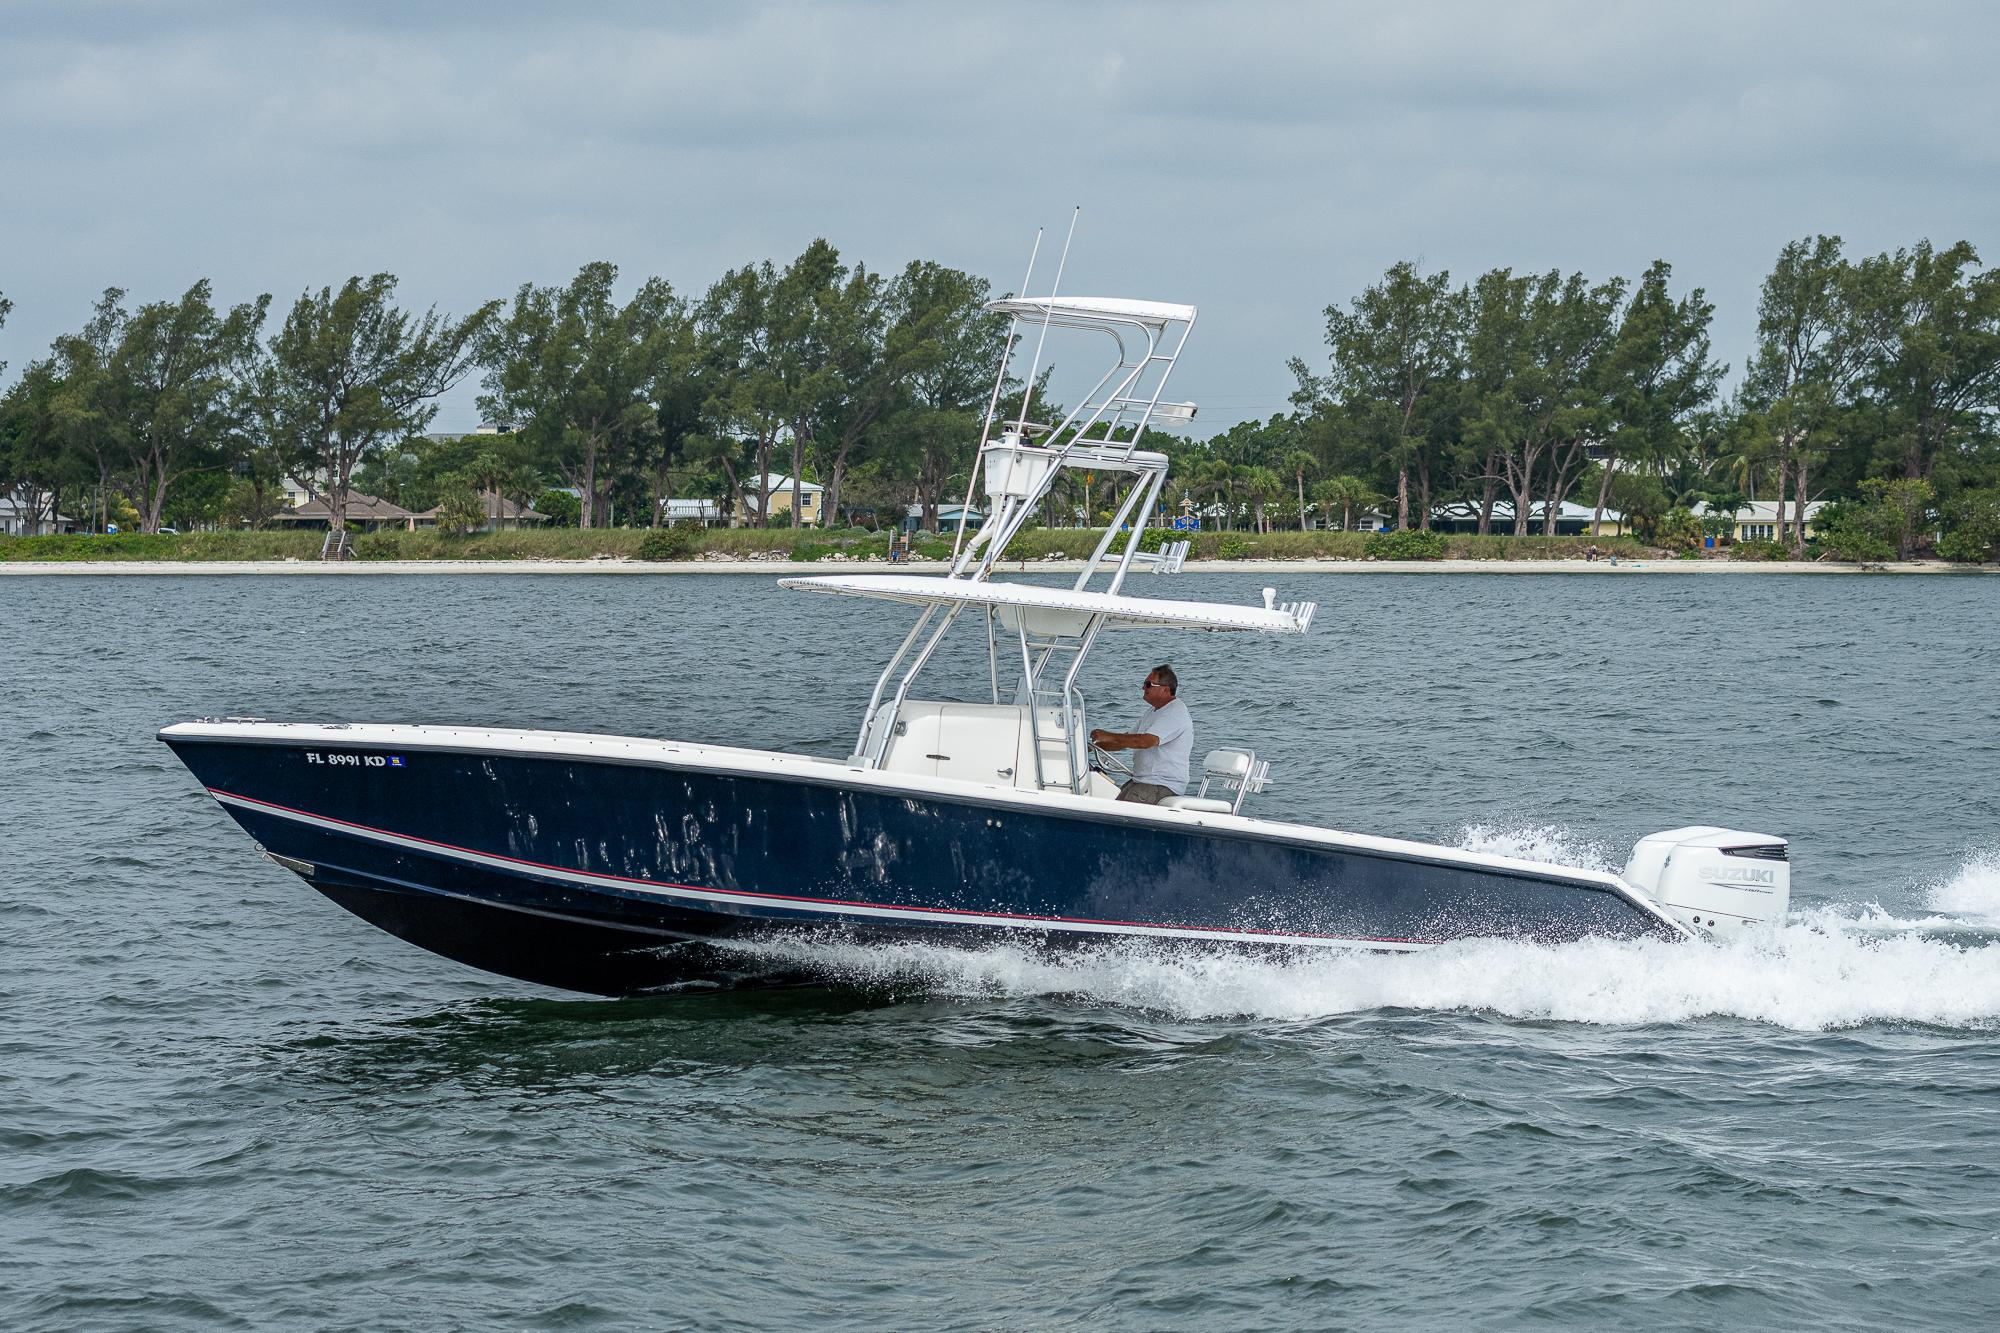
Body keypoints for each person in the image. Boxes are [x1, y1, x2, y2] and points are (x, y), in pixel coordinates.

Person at [1090, 664, 1193, 805]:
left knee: (1116, 815)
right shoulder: (1153, 711)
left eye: (1148, 684)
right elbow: (1125, 740)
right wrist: (1092, 746)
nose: (1143, 688)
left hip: (1159, 785)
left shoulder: (1175, 712)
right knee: (1110, 807)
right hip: (1142, 781)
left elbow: (1145, 742)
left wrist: (1108, 735)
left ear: (1165, 689)